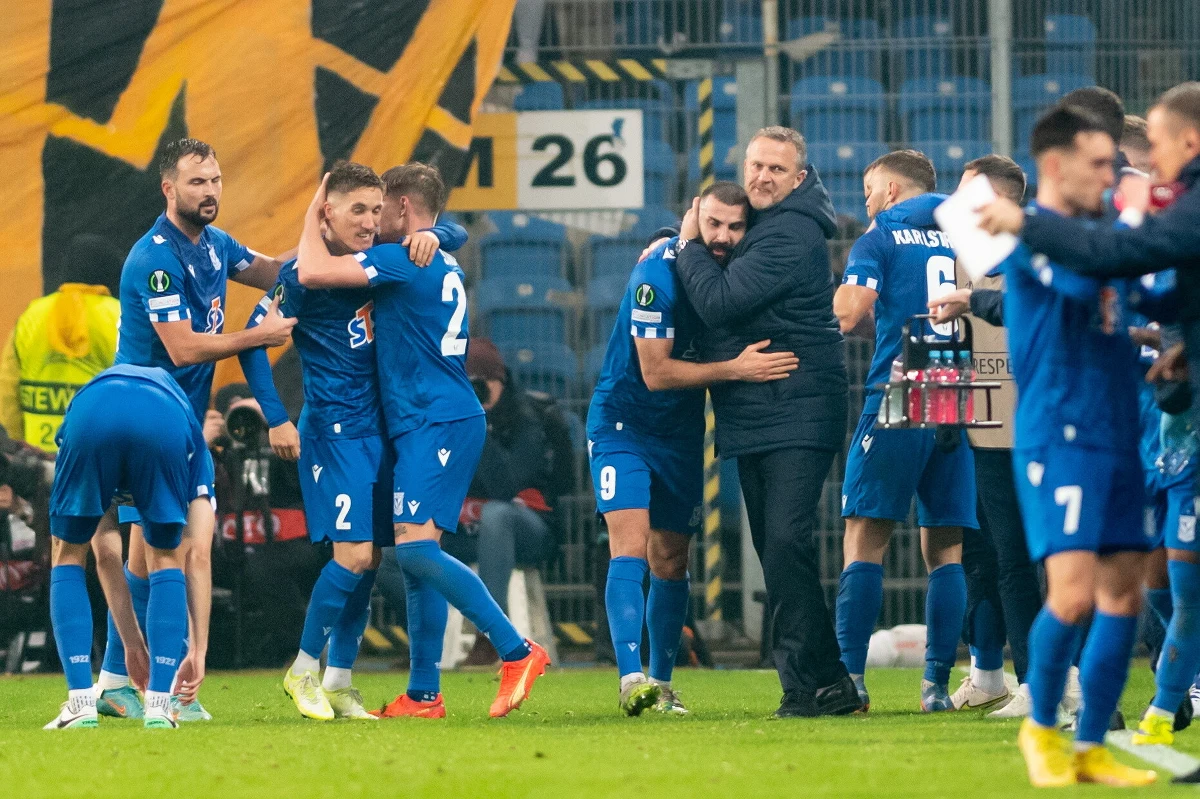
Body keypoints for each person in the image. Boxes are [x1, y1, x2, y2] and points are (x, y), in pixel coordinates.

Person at [296, 163, 550, 719]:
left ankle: (516, 649)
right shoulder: (438, 251)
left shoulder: (400, 260)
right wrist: (443, 230)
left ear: (404, 209)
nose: (369, 221)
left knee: (414, 550)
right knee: (418, 556)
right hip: (430, 420)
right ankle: (423, 694)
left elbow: (311, 272)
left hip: (436, 420)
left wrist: (321, 201)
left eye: (377, 209)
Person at [238, 162, 466, 720]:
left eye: (374, 209)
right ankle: (302, 670)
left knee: (368, 561)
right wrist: (276, 418)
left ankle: (339, 680)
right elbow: (252, 342)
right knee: (354, 554)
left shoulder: (380, 264)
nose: (368, 221)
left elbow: (450, 229)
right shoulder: (300, 274)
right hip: (334, 433)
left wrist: (439, 232)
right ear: (327, 212)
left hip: (381, 432)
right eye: (356, 210)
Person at [94, 138, 296, 721]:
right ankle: (159, 688)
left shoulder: (216, 246)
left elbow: (274, 271)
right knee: (170, 552)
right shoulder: (154, 257)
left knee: (155, 557)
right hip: (147, 418)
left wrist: (331, 241)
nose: (209, 191)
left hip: (181, 422)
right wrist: (257, 338)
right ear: (169, 188)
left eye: (215, 180)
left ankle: (120, 679)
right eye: (196, 182)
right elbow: (181, 347)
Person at [987, 106, 1156, 787]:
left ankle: (1090, 747)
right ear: (1055, 166)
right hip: (1060, 434)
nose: (1111, 175)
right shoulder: (1034, 242)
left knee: (1124, 595)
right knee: (1074, 593)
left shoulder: (1092, 232)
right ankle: (1041, 730)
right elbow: (1090, 278)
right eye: (1097, 163)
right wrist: (1137, 218)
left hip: (1119, 430)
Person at [589, 181, 799, 716]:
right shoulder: (654, 276)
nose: (724, 236)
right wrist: (734, 369)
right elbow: (655, 373)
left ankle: (661, 685)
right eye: (714, 224)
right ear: (694, 219)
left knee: (672, 560)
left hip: (681, 435)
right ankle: (630, 677)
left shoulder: (730, 278)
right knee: (630, 545)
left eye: (735, 226)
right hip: (623, 425)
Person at [673, 126, 859, 718]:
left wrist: (687, 248)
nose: (762, 177)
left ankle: (819, 683)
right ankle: (815, 685)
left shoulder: (793, 232)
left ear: (799, 178)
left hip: (797, 405)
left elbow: (721, 302)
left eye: (777, 169)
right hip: (762, 409)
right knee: (777, 548)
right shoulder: (763, 225)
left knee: (784, 542)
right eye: (756, 164)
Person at [831, 149, 975, 713]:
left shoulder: (880, 236)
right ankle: (937, 687)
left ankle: (852, 681)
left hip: (900, 390)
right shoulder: (966, 233)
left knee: (864, 535)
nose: (865, 201)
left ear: (891, 190)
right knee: (945, 545)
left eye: (869, 190)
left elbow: (846, 314)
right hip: (956, 392)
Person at [928, 155, 1050, 719]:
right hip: (989, 431)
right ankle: (1028, 680)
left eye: (965, 191)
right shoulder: (960, 259)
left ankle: (1053, 679)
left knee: (1053, 558)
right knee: (1007, 559)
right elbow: (948, 345)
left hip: (1045, 427)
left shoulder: (1038, 248)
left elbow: (1028, 310)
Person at [44, 365, 212, 729]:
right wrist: (197, 650)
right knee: (166, 556)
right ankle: (159, 706)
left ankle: (80, 705)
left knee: (68, 552)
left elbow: (104, 555)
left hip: (92, 411)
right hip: (163, 420)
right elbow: (196, 554)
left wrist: (132, 644)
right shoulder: (195, 446)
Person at [442, 338, 567, 667]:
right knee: (396, 550)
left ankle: (492, 636)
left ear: (499, 380)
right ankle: (424, 641)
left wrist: (477, 425)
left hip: (526, 533)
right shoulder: (447, 419)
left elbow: (504, 486)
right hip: (465, 530)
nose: (472, 393)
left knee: (497, 515)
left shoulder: (528, 420)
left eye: (478, 385)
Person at [0, 236, 122, 453]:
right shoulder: (120, 316)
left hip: (37, 462)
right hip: (100, 461)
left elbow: (7, 393)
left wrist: (14, 450)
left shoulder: (31, 316)